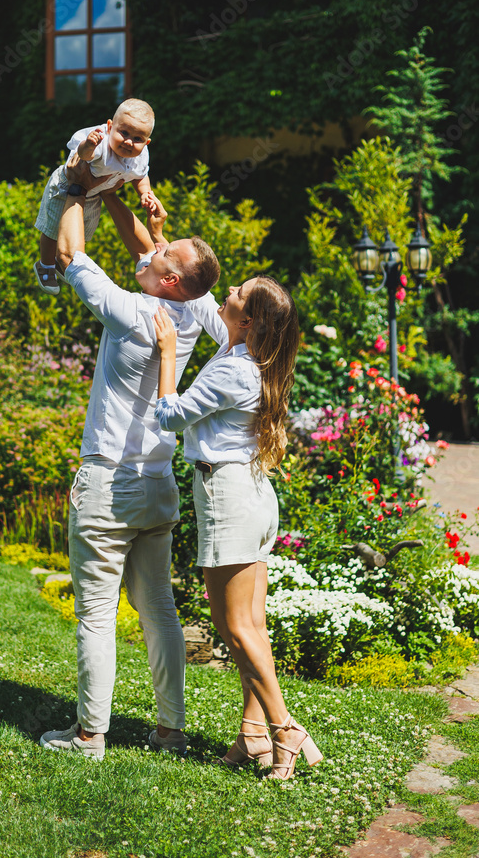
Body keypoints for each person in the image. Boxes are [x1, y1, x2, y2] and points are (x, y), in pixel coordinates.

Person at [39, 168, 221, 761]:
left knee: (95, 614)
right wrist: (116, 196)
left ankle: (90, 735)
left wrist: (72, 186)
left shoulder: (126, 310)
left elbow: (70, 251)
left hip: (109, 483)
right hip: (157, 484)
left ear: (169, 278)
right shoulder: (191, 311)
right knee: (158, 609)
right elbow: (150, 254)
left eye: (166, 249)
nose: (155, 241)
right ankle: (170, 729)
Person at [152, 276, 324, 780]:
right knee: (251, 627)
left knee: (236, 628)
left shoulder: (234, 372)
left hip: (228, 495)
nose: (226, 291)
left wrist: (167, 353)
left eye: (237, 292)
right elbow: (199, 294)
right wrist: (157, 233)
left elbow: (171, 416)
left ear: (247, 320)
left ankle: (286, 729)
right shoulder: (243, 356)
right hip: (251, 493)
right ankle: (253, 734)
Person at [34, 98, 156, 295]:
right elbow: (83, 156)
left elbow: (141, 176)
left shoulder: (139, 157)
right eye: (124, 133)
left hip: (93, 194)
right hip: (67, 185)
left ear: (146, 142)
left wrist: (145, 193)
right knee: (53, 227)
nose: (128, 141)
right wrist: (89, 145)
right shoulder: (101, 142)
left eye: (137, 139)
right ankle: (45, 265)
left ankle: (59, 263)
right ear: (110, 127)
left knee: (83, 231)